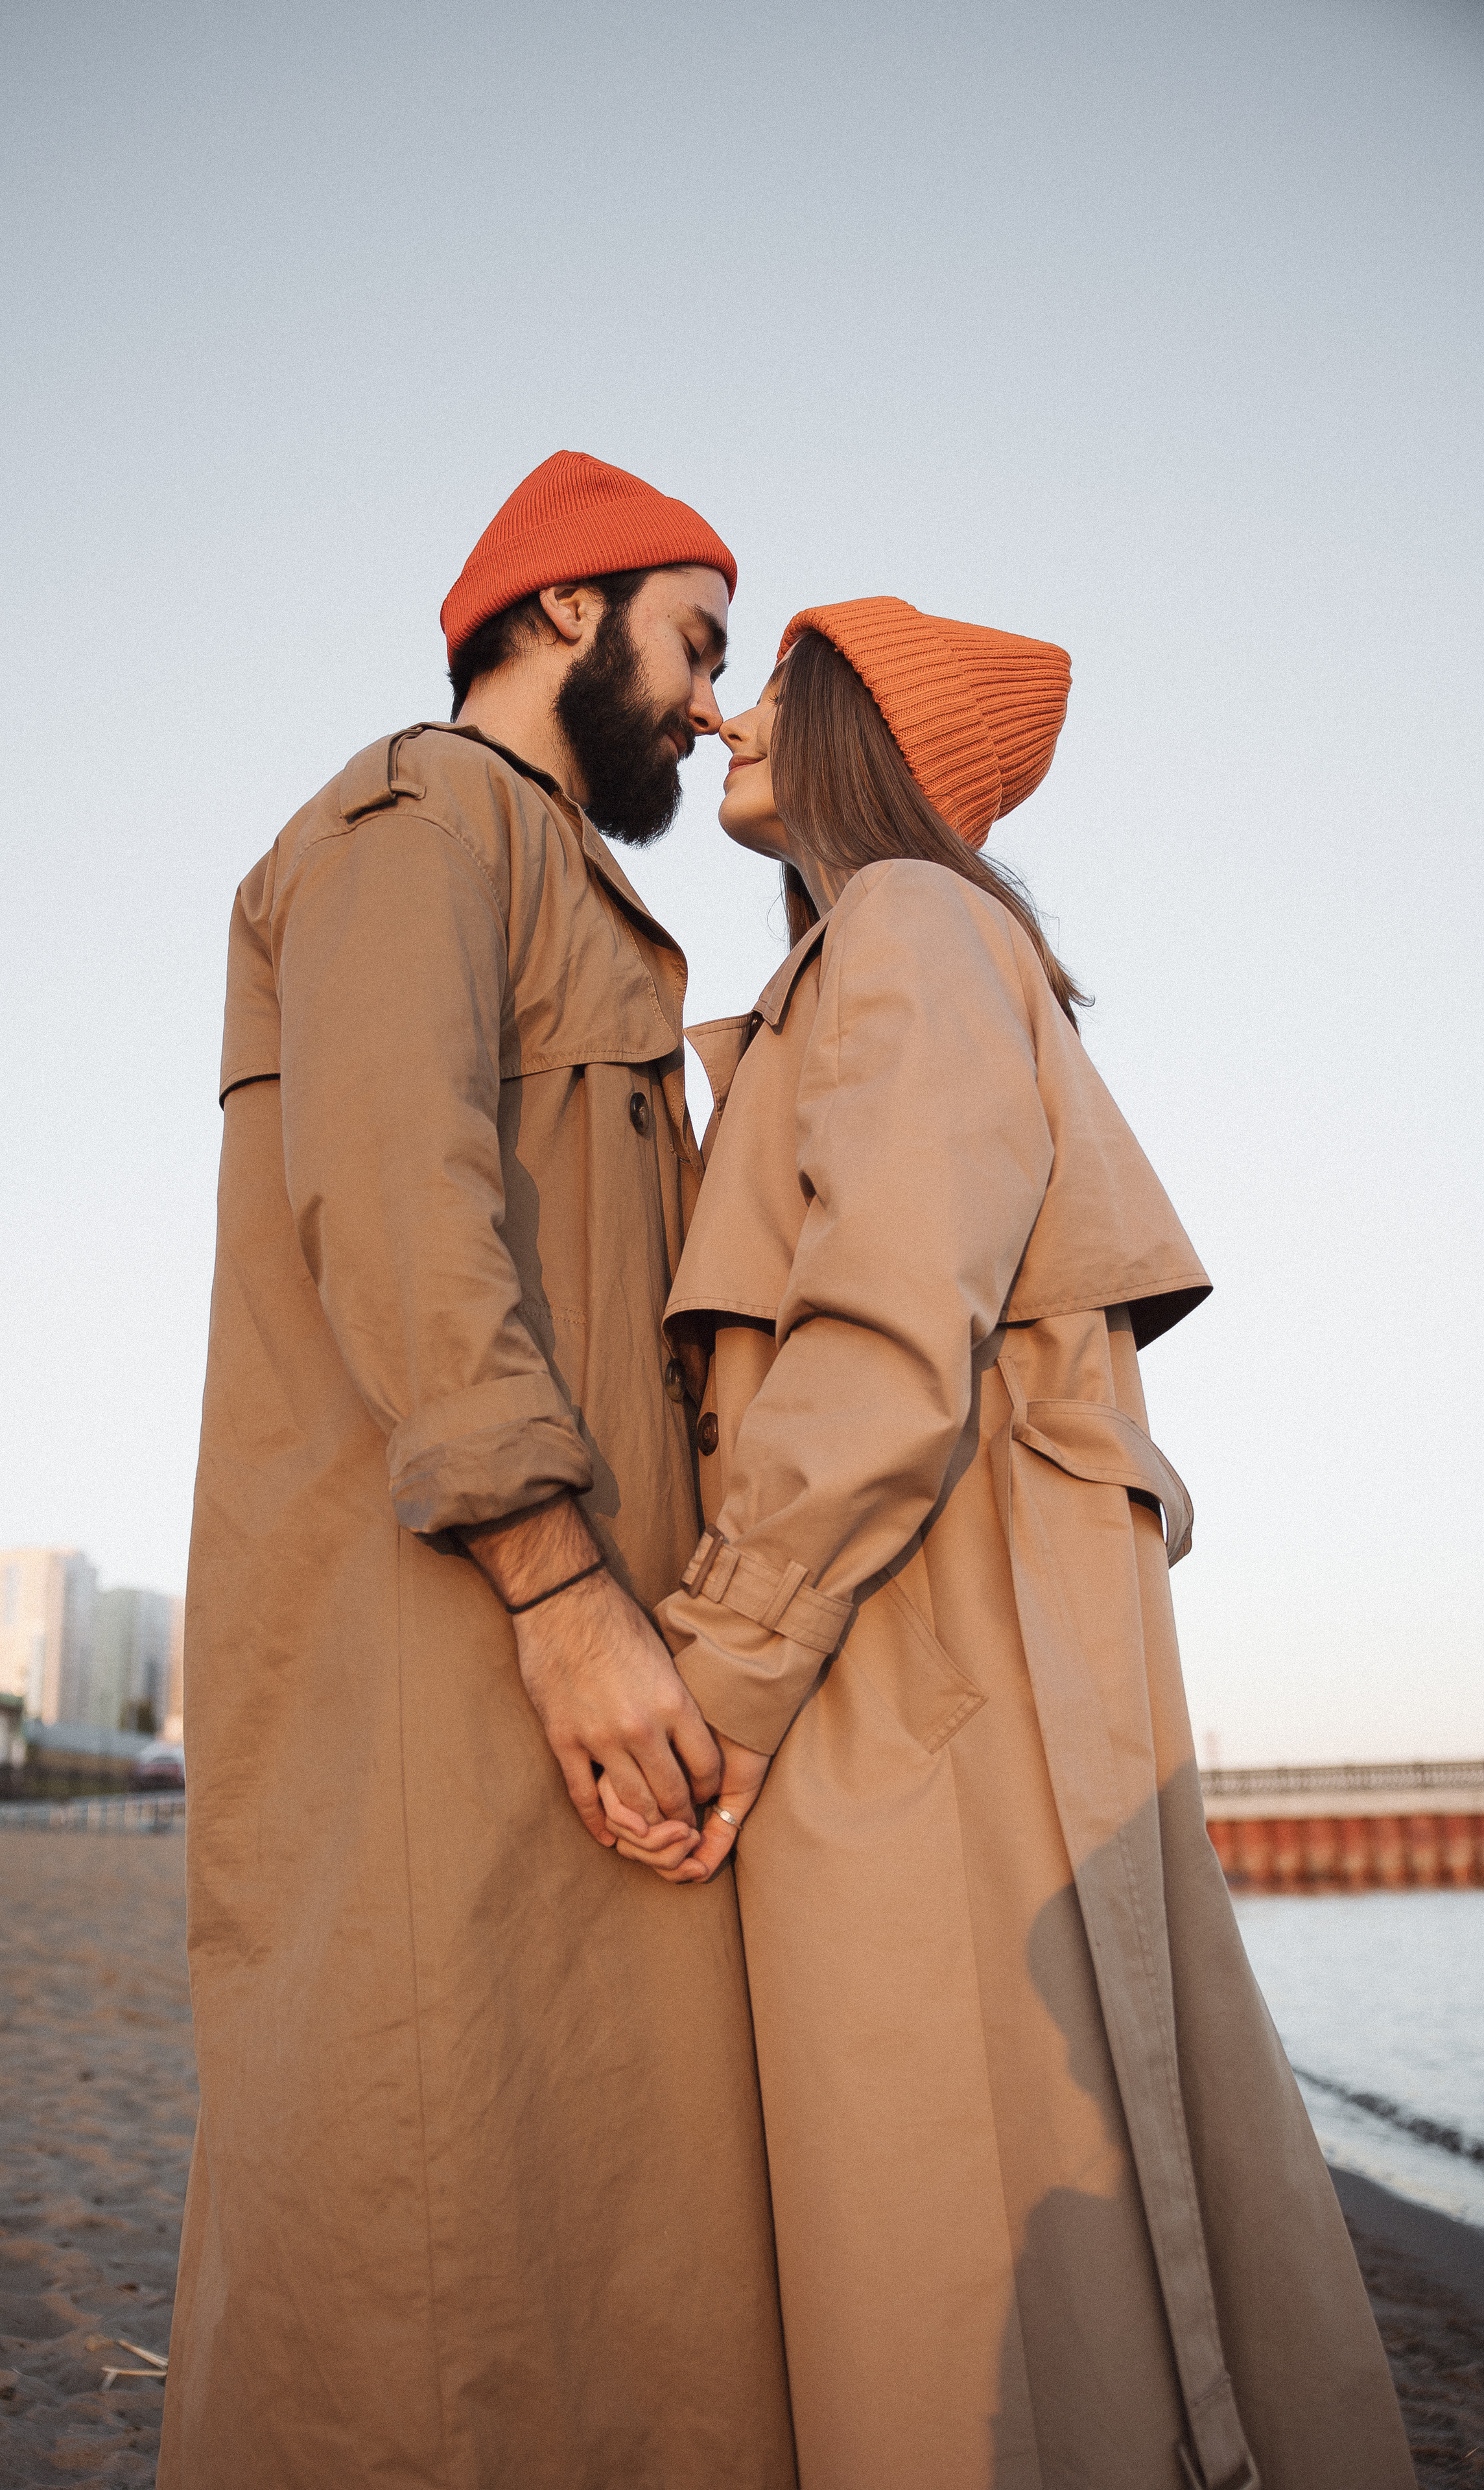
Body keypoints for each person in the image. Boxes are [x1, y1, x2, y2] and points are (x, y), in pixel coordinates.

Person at [607, 599, 1415, 2489]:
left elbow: (891, 1332)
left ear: (865, 728)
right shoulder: (889, 952)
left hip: (918, 1690)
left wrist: (715, 1677)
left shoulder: (908, 927)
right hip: (916, 1667)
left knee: (959, 2274)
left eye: (774, 683)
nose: (724, 711)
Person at [158, 453, 797, 2489]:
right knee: (423, 2268)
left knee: (591, 2251)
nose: (713, 702)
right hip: (451, 1643)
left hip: (571, 1664)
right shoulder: (415, 817)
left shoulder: (550, 868)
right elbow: (402, 1201)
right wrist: (556, 1582)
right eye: (696, 643)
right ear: (559, 613)